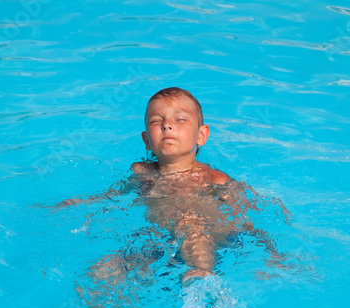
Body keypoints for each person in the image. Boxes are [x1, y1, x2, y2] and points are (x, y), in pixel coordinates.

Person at [57, 87, 288, 284]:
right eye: (157, 121)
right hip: (159, 242)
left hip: (208, 238)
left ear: (201, 135)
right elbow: (114, 195)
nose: (167, 126)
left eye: (179, 119)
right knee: (103, 271)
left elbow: (246, 212)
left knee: (189, 221)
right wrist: (82, 202)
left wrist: (271, 251)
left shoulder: (212, 177)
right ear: (147, 140)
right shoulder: (142, 172)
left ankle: (203, 273)